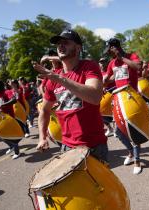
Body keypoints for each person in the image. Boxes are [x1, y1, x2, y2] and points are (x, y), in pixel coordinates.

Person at [32, 29, 108, 162]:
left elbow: (95, 97)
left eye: (66, 42)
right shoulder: (52, 79)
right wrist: (42, 137)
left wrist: (59, 78)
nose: (60, 46)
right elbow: (44, 110)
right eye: (58, 44)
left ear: (78, 48)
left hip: (94, 146)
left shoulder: (88, 67)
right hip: (67, 146)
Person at [104, 38, 143, 174]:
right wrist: (103, 81)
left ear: (115, 48)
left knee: (133, 131)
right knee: (119, 132)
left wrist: (121, 57)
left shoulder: (131, 56)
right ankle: (131, 152)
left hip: (132, 98)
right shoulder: (112, 63)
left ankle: (137, 160)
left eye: (110, 50)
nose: (109, 53)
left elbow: (138, 67)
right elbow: (110, 77)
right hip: (119, 99)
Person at [0, 80, 22, 159]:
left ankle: (17, 152)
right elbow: (0, 105)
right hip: (2, 117)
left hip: (9, 117)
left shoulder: (7, 92)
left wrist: (3, 105)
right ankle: (11, 146)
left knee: (12, 134)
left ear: (0, 86)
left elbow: (14, 100)